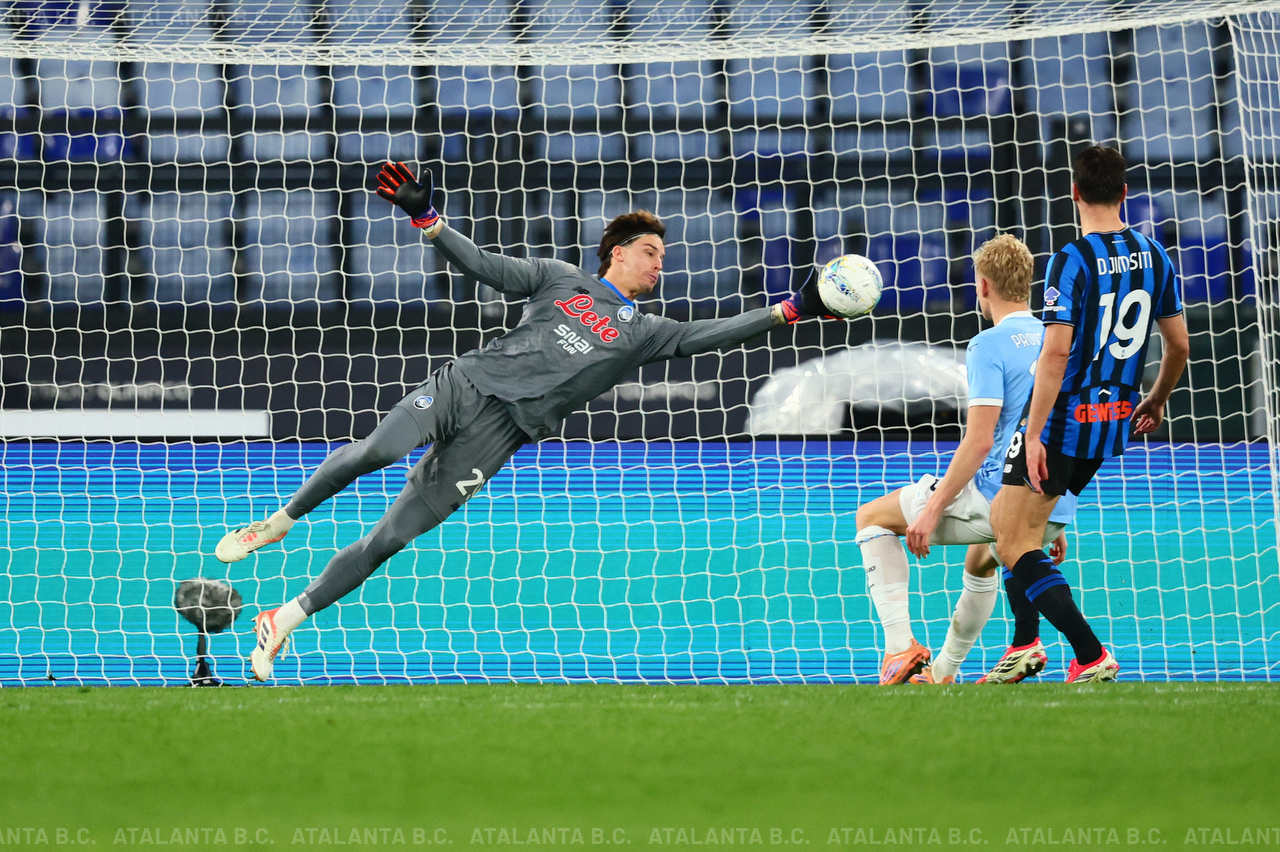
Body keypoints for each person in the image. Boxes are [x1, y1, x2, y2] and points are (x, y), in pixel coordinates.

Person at [216, 161, 843, 681]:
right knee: (375, 452)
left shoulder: (647, 332)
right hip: (467, 386)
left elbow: (713, 334)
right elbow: (483, 265)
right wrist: (427, 217)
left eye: (661, 257)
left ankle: (282, 620)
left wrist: (789, 310)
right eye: (650, 252)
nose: (659, 264)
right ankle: (275, 524)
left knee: (390, 539)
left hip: (502, 436)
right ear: (617, 253)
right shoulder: (559, 278)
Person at [989, 144, 1189, 683]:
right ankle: (1024, 646)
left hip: (1063, 421)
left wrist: (1034, 433)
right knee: (1015, 528)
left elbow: (1056, 353)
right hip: (1113, 420)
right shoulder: (1155, 255)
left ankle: (1090, 654)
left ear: (1073, 192)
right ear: (1124, 193)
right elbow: (1179, 346)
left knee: (1011, 540)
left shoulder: (1071, 259)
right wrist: (1156, 399)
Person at [854, 234, 1075, 685]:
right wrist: (1050, 513)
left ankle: (899, 647)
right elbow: (1057, 429)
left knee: (871, 518)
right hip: (1049, 495)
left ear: (984, 286)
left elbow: (978, 442)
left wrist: (932, 509)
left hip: (997, 493)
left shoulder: (987, 345)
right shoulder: (1056, 341)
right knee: (980, 560)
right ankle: (943, 674)